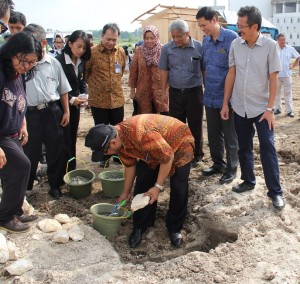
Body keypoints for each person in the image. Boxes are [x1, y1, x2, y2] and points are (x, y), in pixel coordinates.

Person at [84, 114, 194, 248]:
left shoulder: (142, 134)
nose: (106, 155)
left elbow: (167, 157)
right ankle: (141, 225)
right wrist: (125, 192)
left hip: (179, 143)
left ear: (113, 143)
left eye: (105, 152)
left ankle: (175, 228)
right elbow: (130, 166)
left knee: (179, 187)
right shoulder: (119, 141)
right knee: (143, 181)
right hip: (152, 149)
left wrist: (158, 187)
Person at [220, 6, 285, 209]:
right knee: (244, 146)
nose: (239, 29)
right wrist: (226, 102)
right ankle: (248, 181)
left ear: (255, 26)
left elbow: (273, 79)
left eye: (242, 26)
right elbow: (232, 74)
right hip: (240, 106)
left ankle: (275, 191)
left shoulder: (270, 46)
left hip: (262, 109)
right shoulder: (235, 45)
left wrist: (270, 108)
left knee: (267, 147)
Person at [0, 31, 42, 232]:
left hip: (13, 130)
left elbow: (19, 100)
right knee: (23, 166)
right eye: (25, 61)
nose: (27, 67)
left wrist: (23, 123)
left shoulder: (19, 74)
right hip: (2, 134)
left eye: (32, 63)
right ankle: (5, 216)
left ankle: (14, 212)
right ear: (13, 53)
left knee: (15, 172)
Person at [23, 24, 71, 199]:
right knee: (30, 152)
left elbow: (63, 88)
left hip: (51, 111)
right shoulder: (23, 64)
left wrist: (66, 111)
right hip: (29, 115)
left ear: (43, 42)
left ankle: (55, 185)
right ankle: (25, 188)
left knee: (55, 150)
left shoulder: (54, 63)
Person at [196, 7, 239, 184]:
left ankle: (232, 168)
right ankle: (218, 164)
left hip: (226, 98)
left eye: (204, 25)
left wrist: (227, 100)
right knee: (213, 134)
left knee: (230, 135)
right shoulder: (205, 41)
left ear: (214, 19)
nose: (202, 29)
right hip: (210, 96)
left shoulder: (231, 38)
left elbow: (235, 70)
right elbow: (205, 67)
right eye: (200, 26)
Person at [159, 19, 204, 167]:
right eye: (173, 36)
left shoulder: (199, 47)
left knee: (195, 125)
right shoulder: (167, 49)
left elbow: (204, 70)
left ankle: (196, 155)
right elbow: (164, 70)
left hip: (194, 93)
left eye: (179, 36)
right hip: (176, 93)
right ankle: (178, 153)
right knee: (176, 126)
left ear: (187, 34)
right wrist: (163, 92)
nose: (176, 40)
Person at [85, 23, 126, 167]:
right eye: (108, 39)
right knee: (100, 129)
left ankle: (117, 155)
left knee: (118, 129)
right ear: (102, 36)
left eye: (114, 40)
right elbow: (86, 73)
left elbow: (120, 72)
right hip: (98, 101)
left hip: (116, 99)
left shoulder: (120, 52)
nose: (111, 42)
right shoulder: (92, 53)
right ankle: (103, 156)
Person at [56, 30, 91, 171]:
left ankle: (71, 168)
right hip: (60, 106)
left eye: (84, 48)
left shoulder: (81, 61)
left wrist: (84, 94)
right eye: (78, 46)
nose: (81, 50)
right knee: (62, 139)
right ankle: (60, 171)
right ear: (70, 43)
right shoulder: (58, 61)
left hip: (75, 106)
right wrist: (71, 100)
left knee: (72, 137)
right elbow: (55, 87)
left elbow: (81, 81)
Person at [129, 25, 168, 115]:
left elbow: (168, 69)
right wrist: (132, 91)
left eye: (152, 38)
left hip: (160, 91)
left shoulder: (163, 50)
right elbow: (133, 71)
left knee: (163, 117)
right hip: (143, 91)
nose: (149, 41)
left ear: (156, 38)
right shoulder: (139, 51)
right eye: (146, 38)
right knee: (145, 118)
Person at [274, 33, 299, 118]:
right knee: (276, 93)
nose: (283, 41)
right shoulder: (274, 48)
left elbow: (298, 57)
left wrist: (293, 65)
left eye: (284, 40)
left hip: (287, 75)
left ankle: (289, 110)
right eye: (281, 40)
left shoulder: (290, 48)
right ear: (277, 40)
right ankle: (277, 109)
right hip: (276, 75)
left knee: (288, 93)